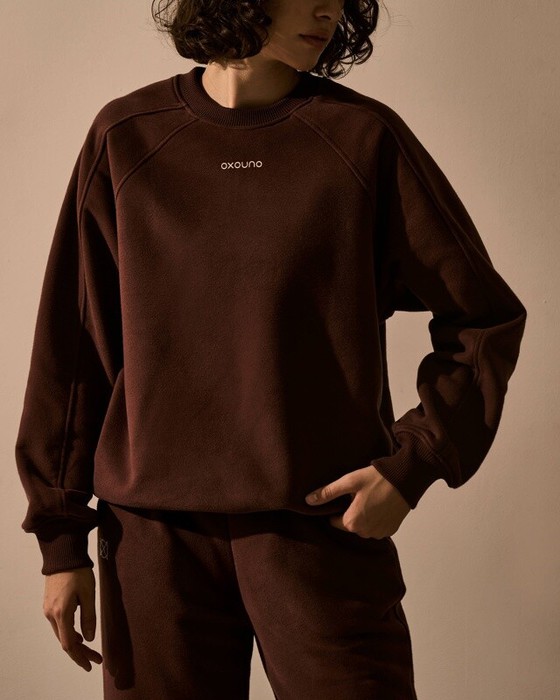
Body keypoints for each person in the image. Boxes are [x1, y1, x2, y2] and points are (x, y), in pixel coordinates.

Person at [14, 1, 527, 698]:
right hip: (155, 543)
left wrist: (413, 466)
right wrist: (60, 540)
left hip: (321, 530)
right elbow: (72, 355)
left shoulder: (360, 139)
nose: (328, 9)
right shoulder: (128, 138)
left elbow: (484, 318)